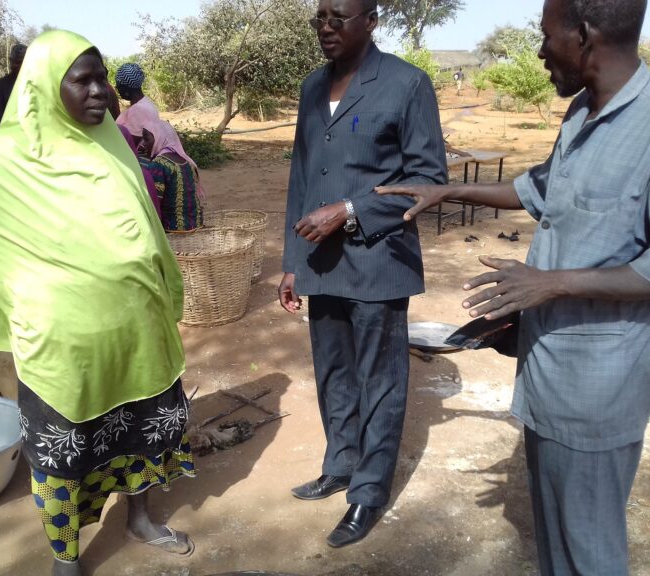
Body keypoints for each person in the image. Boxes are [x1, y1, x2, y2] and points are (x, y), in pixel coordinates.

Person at [378, 0, 650, 573]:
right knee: (557, 542)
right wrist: (448, 191)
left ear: (584, 34)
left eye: (545, 35)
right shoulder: (582, 111)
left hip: (600, 386)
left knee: (589, 548)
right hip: (550, 369)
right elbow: (541, 188)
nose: (539, 50)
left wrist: (550, 283)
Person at [0, 30, 197, 576]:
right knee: (62, 453)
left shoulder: (111, 143)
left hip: (137, 331)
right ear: (47, 87)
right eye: (84, 80)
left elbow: (143, 227)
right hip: (60, 345)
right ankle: (65, 556)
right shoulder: (1, 159)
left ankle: (139, 518)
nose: (100, 90)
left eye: (103, 78)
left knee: (142, 428)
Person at [279, 0, 447, 548]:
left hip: (378, 259)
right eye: (319, 17)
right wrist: (290, 261)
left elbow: (427, 180)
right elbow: (302, 178)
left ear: (371, 21)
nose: (326, 27)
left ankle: (369, 493)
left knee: (380, 379)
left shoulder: (406, 84)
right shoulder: (310, 88)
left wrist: (349, 211)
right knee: (333, 372)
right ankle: (341, 463)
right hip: (321, 261)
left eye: (338, 18)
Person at [139, 119, 205, 232]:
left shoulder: (159, 164)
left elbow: (154, 202)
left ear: (159, 137)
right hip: (196, 224)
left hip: (173, 229)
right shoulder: (185, 160)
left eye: (146, 138)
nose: (143, 143)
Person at [0, 43, 27, 131]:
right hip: (5, 140)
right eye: (18, 62)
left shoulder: (36, 87)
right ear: (10, 61)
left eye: (25, 62)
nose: (21, 66)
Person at [115, 62, 160, 144]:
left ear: (125, 88)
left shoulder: (138, 110)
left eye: (118, 86)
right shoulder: (145, 103)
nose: (117, 89)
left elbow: (131, 143)